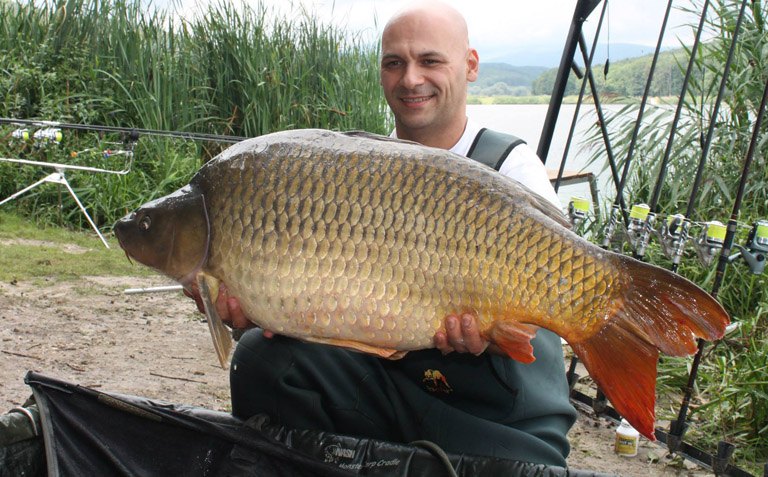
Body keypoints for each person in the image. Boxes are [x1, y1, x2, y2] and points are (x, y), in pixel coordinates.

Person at [189, 1, 576, 468]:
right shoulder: (364, 170)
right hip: (394, 389)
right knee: (261, 361)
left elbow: (537, 329)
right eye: (394, 63)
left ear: (470, 65)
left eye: (430, 61)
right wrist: (264, 304)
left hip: (500, 415)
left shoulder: (514, 169)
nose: (410, 78)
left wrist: (495, 332)